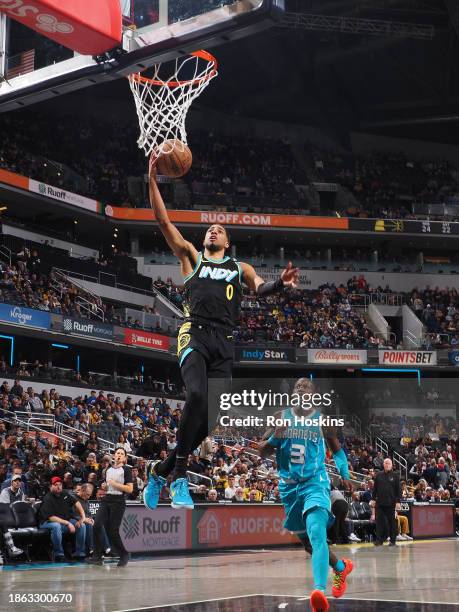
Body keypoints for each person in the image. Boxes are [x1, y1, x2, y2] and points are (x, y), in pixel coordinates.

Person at [144, 163, 299, 510]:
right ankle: (179, 477)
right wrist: (152, 179)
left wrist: (280, 285)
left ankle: (159, 472)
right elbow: (163, 221)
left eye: (219, 229)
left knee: (210, 419)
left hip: (224, 343)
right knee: (196, 394)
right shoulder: (191, 257)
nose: (213, 231)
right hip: (194, 332)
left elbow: (259, 288)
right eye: (210, 229)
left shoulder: (239, 268)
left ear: (228, 241)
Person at [259, 378, 354, 612]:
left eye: (305, 387)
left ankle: (319, 592)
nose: (300, 389)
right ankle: (340, 567)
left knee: (316, 532)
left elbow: (338, 452)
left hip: (315, 483)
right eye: (297, 387)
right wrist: (275, 438)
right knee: (309, 544)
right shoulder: (280, 416)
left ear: (314, 395)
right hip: (289, 488)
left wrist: (344, 473)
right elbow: (261, 450)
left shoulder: (323, 421)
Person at [88, 448, 133, 567]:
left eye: (121, 454)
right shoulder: (108, 470)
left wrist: (115, 484)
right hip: (107, 499)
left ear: (124, 458)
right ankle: (97, 556)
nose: (119, 455)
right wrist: (104, 486)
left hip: (118, 501)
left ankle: (124, 554)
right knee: (97, 525)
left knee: (113, 531)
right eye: (117, 453)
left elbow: (129, 489)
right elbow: (107, 486)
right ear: (114, 455)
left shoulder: (127, 470)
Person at [38, 476, 87, 562]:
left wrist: (83, 518)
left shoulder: (65, 494)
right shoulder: (48, 498)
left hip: (63, 522)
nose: (58, 486)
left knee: (81, 525)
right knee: (56, 526)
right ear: (51, 486)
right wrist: (68, 523)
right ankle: (58, 554)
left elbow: (77, 503)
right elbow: (51, 517)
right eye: (56, 485)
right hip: (46, 522)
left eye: (60, 484)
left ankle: (79, 553)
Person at [373, 458, 401, 547]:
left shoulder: (395, 476)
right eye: (385, 463)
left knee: (392, 522)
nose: (387, 465)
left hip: (391, 503)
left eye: (389, 463)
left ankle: (393, 540)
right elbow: (375, 489)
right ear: (383, 464)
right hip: (380, 503)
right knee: (379, 522)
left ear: (392, 465)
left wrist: (398, 501)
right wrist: (373, 499)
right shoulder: (378, 475)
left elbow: (398, 490)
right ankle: (379, 540)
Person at [0, 474, 25, 562]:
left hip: (16, 517)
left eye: (19, 481)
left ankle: (11, 549)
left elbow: (21, 507)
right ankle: (11, 548)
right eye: (15, 481)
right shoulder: (5, 491)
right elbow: (5, 508)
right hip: (6, 516)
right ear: (12, 482)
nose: (18, 482)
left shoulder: (21, 493)